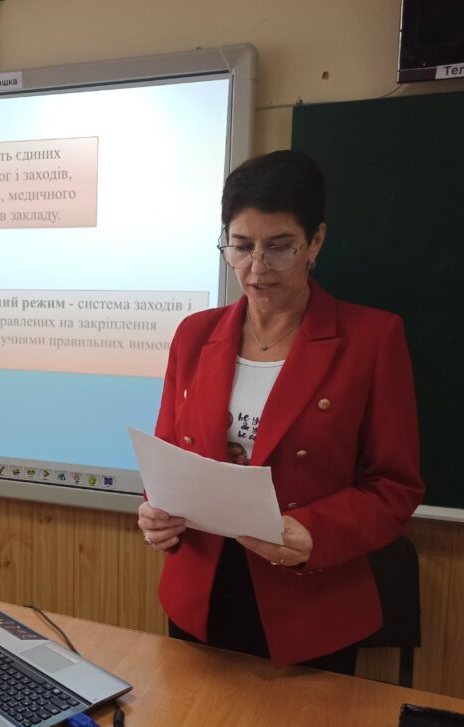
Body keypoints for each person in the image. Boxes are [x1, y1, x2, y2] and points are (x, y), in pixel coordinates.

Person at [137, 150, 424, 673]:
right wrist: (157, 513)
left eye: (279, 247)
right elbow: (169, 460)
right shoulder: (195, 335)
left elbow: (394, 487)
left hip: (309, 602)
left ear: (315, 242)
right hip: (200, 595)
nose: (256, 268)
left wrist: (315, 533)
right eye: (241, 246)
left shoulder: (371, 340)